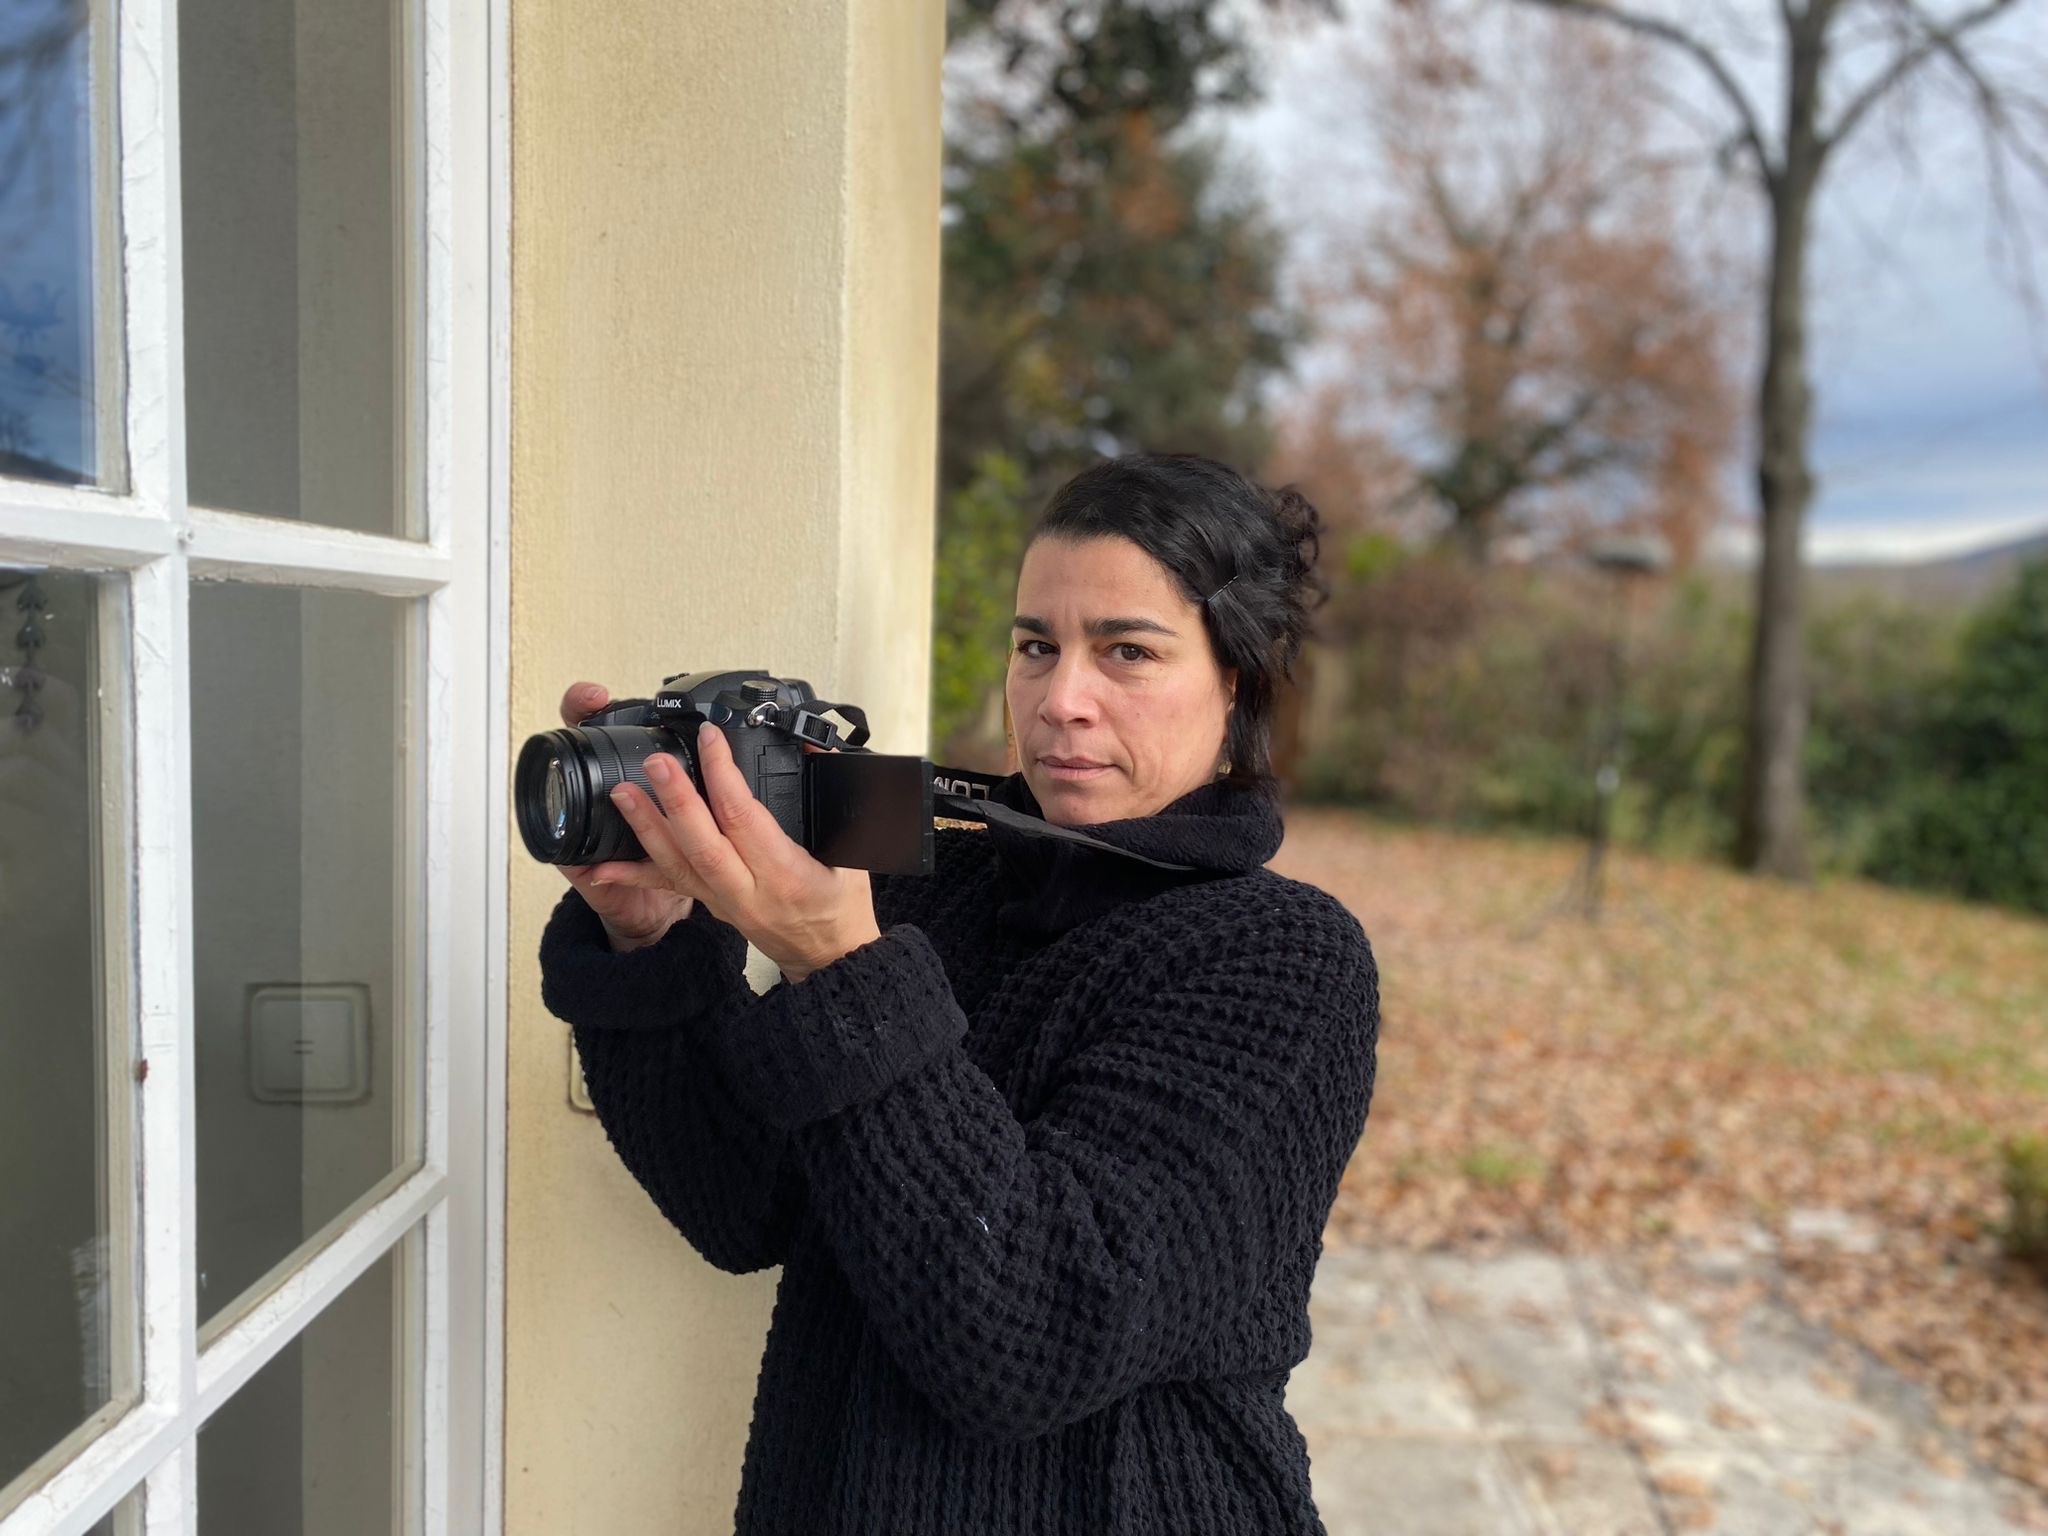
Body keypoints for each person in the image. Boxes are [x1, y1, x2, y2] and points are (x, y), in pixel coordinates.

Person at [536, 451, 1380, 1535]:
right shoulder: (928, 879)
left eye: (1126, 651)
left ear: (1238, 680)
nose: (1060, 700)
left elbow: (1031, 1337)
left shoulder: (1284, 956)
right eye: (1037, 646)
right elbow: (746, 1207)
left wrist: (838, 965)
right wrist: (646, 936)